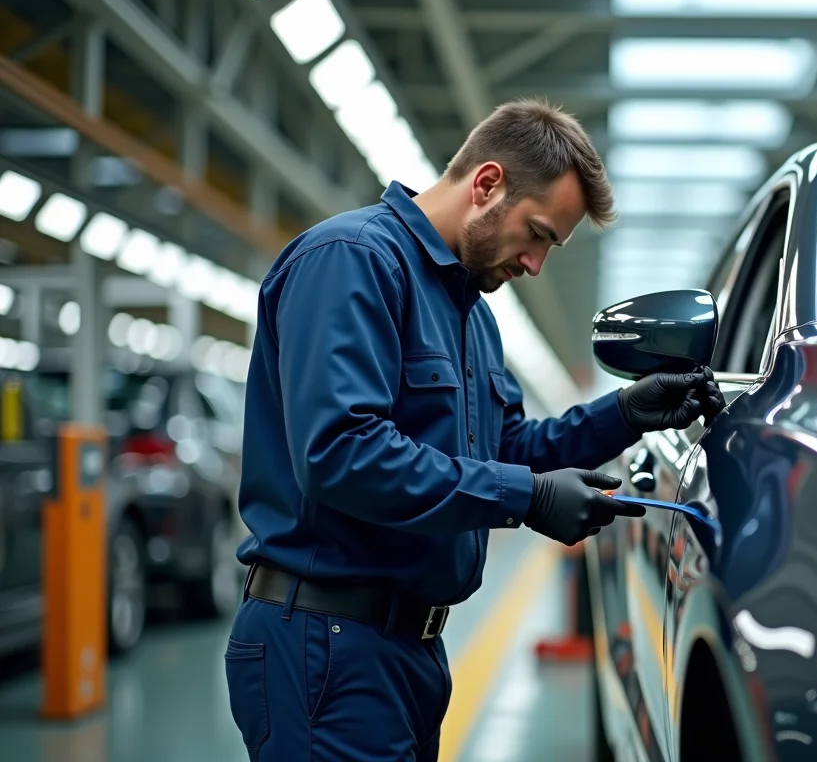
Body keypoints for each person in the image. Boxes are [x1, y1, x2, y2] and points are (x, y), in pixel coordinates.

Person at [222, 98, 724, 762]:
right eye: (538, 233)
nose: (537, 263)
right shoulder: (352, 261)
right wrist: (527, 498)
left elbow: (509, 448)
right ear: (487, 184)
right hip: (326, 644)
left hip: (405, 652)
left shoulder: (472, 315)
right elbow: (341, 452)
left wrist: (626, 413)